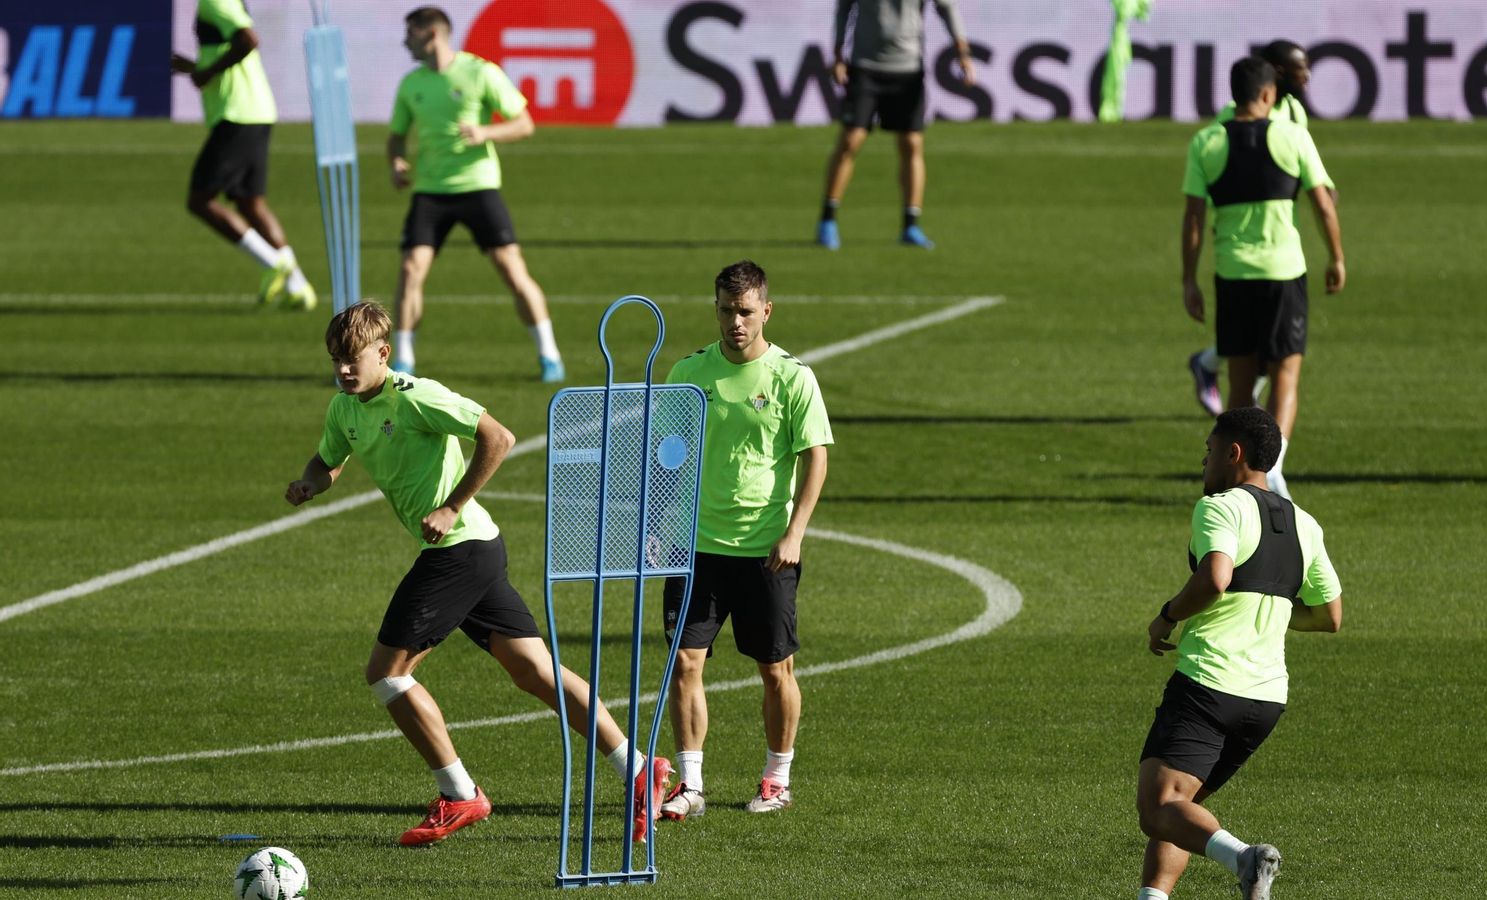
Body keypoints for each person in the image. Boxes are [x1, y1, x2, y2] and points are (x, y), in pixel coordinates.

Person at [284, 300, 668, 846]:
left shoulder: (417, 397)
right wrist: (309, 484)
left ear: (383, 353)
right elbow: (327, 461)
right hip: (477, 552)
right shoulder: (344, 409)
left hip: (460, 550)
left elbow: (498, 437)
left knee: (386, 673)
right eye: (335, 360)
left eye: (353, 358)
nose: (344, 369)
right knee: (534, 671)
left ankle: (460, 794)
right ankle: (638, 768)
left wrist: (452, 505)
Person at [1137, 406, 1343, 900]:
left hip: (1209, 683)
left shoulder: (1223, 506)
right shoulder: (1305, 524)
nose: (1203, 463)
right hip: (1266, 700)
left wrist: (1166, 616)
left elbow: (1215, 578)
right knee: (1183, 809)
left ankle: (1245, 859)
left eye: (1209, 452)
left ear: (1234, 454)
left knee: (1158, 805)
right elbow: (1329, 616)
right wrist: (1268, 609)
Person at [657, 261, 833, 820]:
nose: (736, 321)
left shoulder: (792, 377)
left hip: (766, 551)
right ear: (716, 308)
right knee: (686, 664)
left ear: (766, 311)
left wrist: (795, 533)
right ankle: (690, 785)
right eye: (727, 310)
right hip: (696, 550)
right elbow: (667, 457)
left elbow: (816, 459)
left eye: (746, 311)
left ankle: (776, 779)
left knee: (774, 668)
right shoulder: (688, 374)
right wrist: (659, 526)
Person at [1180, 56, 1345, 500]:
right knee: (1285, 374)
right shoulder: (1293, 136)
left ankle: (1238, 473)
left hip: (1232, 273)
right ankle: (1271, 470)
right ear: (1270, 94)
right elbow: (1323, 203)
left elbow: (1194, 218)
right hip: (1283, 270)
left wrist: (1189, 280)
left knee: (1240, 379)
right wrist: (1337, 257)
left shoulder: (1207, 142)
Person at [386, 6, 564, 382]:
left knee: (512, 271)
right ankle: (403, 360)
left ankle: (549, 355)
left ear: (431, 34)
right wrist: (397, 161)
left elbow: (523, 123)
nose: (405, 43)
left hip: (478, 185)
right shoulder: (411, 83)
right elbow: (397, 135)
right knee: (410, 270)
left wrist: (486, 133)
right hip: (430, 192)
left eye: (410, 35)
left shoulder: (480, 73)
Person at [1188, 40, 1327, 416]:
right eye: (1300, 70)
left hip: (1275, 243)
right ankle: (1263, 456)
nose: (1307, 77)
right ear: (1277, 77)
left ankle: (1209, 366)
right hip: (1243, 243)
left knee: (1263, 359)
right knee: (1265, 363)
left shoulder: (1294, 113)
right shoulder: (1227, 124)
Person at [171, 0, 316, 310]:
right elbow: (230, 47)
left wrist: (207, 71)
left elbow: (248, 39)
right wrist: (196, 69)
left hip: (237, 113)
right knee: (250, 202)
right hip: (254, 110)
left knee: (200, 200)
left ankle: (275, 263)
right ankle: (299, 286)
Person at [817, 0, 976, 251]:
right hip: (865, 66)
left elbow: (947, 7)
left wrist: (963, 53)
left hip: (908, 68)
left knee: (911, 143)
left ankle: (911, 224)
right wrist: (837, 54)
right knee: (851, 140)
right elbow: (844, 8)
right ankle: (827, 218)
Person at [1097, 0, 1152, 123]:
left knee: (1117, 76)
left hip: (1121, 38)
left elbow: (1142, 13)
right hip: (1117, 37)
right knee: (1114, 75)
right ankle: (1111, 109)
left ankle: (1113, 109)